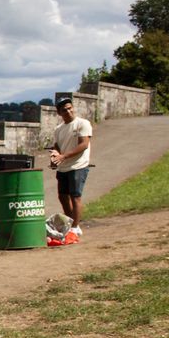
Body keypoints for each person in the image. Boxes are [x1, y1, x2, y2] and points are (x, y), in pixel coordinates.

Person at [50, 98, 92, 238]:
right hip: (63, 167)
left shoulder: (82, 124)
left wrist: (63, 156)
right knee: (62, 196)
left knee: (75, 196)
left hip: (78, 165)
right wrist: (55, 157)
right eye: (64, 110)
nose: (68, 111)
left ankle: (75, 227)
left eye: (70, 108)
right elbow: (57, 146)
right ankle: (70, 223)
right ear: (59, 113)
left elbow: (83, 144)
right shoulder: (59, 129)